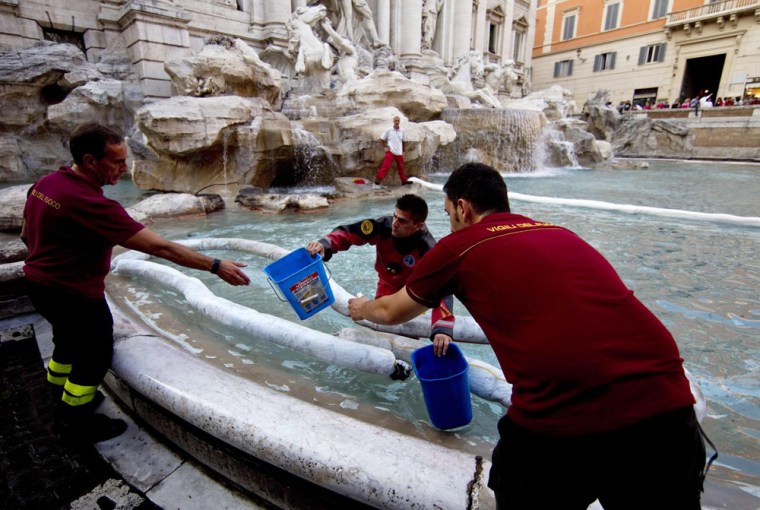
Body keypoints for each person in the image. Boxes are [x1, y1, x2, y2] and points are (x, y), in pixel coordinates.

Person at [349, 163, 709, 509]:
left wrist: (362, 306)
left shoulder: (460, 245)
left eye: (448, 213)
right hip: (668, 406)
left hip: (562, 415)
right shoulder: (559, 231)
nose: (451, 223)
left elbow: (390, 311)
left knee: (517, 482)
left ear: (463, 207)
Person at [20, 122, 251, 443]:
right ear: (90, 161)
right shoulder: (91, 204)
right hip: (74, 294)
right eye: (117, 161)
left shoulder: (45, 185)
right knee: (94, 356)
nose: (124, 168)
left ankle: (57, 390)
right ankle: (74, 419)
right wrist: (215, 265)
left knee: (66, 342)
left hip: (38, 284)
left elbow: (24, 234)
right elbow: (159, 247)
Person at [306, 194, 454, 353]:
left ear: (418, 226)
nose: (395, 224)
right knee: (380, 336)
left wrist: (442, 328)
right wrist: (324, 245)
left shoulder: (429, 249)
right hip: (385, 288)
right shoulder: (383, 226)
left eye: (402, 221)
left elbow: (443, 290)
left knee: (405, 343)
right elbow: (348, 233)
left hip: (410, 297)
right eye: (395, 216)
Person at [374, 115, 410, 186]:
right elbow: (381, 139)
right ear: (393, 121)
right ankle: (378, 179)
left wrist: (403, 151)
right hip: (391, 151)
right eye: (396, 120)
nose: (397, 122)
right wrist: (385, 147)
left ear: (399, 122)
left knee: (401, 167)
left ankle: (404, 181)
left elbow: (403, 141)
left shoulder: (402, 131)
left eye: (398, 121)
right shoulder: (389, 130)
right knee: (385, 166)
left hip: (399, 152)